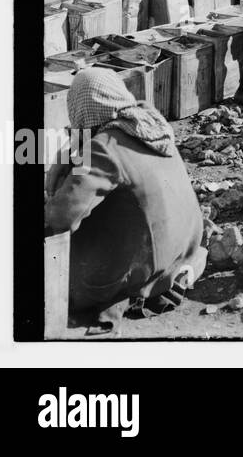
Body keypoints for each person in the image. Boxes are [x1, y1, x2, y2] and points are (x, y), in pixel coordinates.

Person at [45, 68, 206, 321]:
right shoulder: (148, 123)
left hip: (144, 266)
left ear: (81, 109)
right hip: (182, 248)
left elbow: (59, 219)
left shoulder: (102, 148)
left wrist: (57, 173)